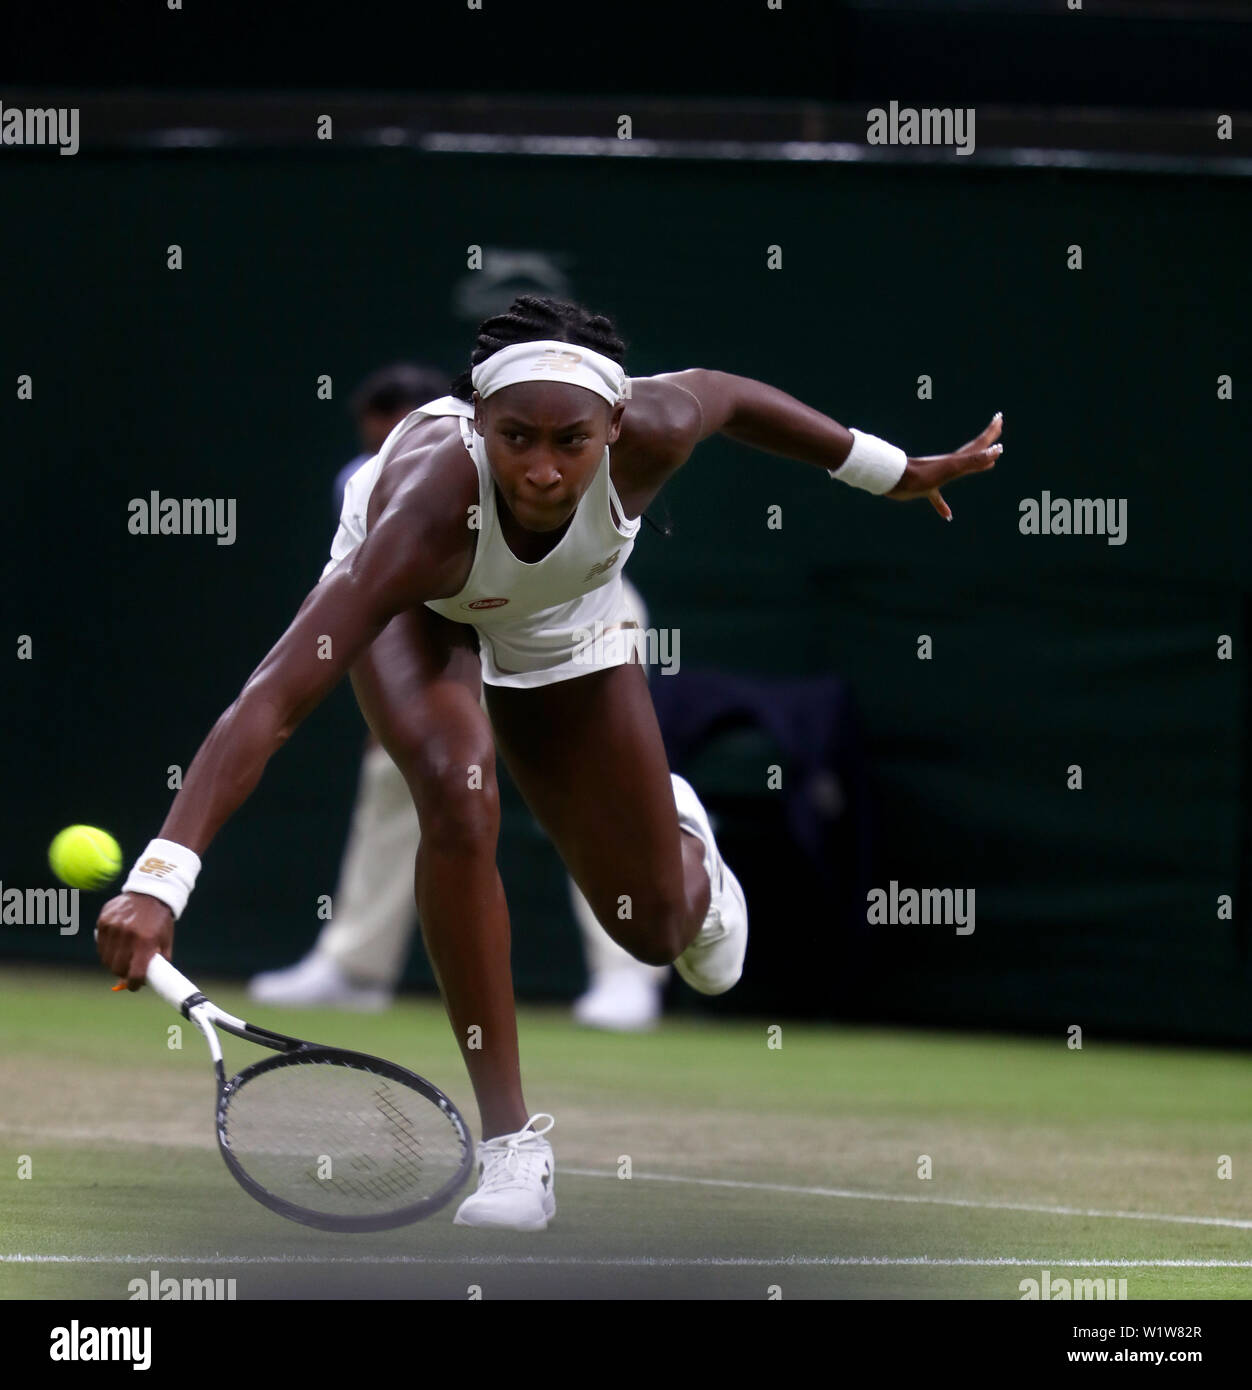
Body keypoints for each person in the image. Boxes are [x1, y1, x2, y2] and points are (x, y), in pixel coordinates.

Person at [95, 294, 1001, 1231]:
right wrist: (161, 879)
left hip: (566, 625)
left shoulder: (659, 427)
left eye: (571, 440)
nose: (540, 468)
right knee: (454, 791)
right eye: (514, 437)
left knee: (655, 935)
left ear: (614, 426)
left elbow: (729, 396)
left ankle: (688, 848)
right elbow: (273, 701)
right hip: (425, 612)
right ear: (476, 423)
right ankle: (512, 1150)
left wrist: (884, 469)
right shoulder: (423, 516)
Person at [249, 366, 669, 1025]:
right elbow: (373, 600)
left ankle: (630, 975)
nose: (388, 456)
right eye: (374, 443)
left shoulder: (512, 456)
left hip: (572, 618)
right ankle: (356, 967)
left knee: (595, 785)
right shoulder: (364, 483)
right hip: (445, 620)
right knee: (393, 775)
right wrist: (396, 708)